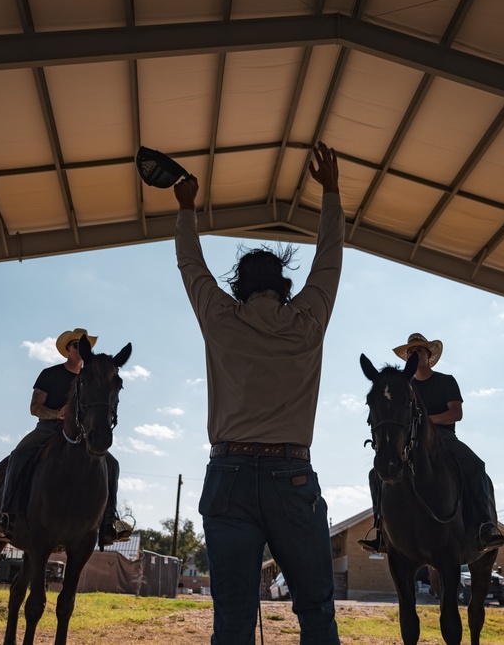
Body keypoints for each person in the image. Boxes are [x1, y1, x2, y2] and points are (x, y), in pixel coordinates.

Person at [173, 142, 343, 644]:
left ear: (238, 287)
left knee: (233, 613)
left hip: (226, 474)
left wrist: (186, 207)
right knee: (314, 607)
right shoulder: (309, 318)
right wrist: (330, 192)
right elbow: (330, 259)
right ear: (285, 286)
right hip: (290, 475)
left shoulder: (220, 318)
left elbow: (190, 266)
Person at [358, 333, 504, 554]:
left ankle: (485, 526)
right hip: (411, 441)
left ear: (428, 355)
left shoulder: (446, 381)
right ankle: (381, 532)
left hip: (444, 438)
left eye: (418, 351)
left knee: (476, 466)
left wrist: (427, 421)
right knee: (375, 474)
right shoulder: (403, 386)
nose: (413, 355)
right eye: (409, 352)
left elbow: (456, 413)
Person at [0, 328, 132, 546]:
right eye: (75, 345)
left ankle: (110, 522)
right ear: (68, 349)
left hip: (80, 433)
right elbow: (35, 408)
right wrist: (57, 414)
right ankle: (5, 514)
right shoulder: (49, 374)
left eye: (82, 346)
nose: (79, 349)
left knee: (112, 463)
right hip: (47, 429)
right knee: (19, 454)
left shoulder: (91, 376)